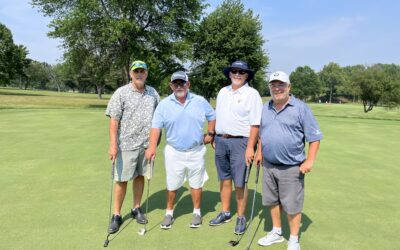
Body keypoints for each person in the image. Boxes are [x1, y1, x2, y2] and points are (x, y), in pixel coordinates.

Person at [256, 71, 323, 250]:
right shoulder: (265, 107)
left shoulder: (300, 108)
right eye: (273, 85)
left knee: (292, 205)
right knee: (271, 201)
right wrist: (260, 152)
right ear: (270, 87)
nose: (277, 88)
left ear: (289, 87)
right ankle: (276, 232)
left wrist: (309, 160)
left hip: (292, 167)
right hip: (269, 165)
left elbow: (315, 137)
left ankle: (294, 239)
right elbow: (263, 133)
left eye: (281, 85)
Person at [145, 71, 216, 229]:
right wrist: (151, 147)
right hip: (174, 151)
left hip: (196, 150)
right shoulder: (164, 105)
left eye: (182, 83)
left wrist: (210, 134)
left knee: (196, 183)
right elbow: (156, 127)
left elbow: (212, 116)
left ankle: (197, 212)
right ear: (171, 86)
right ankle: (169, 213)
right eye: (175, 83)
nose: (179, 86)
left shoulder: (199, 101)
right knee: (172, 183)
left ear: (188, 84)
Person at [105, 60, 160, 234]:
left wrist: (153, 145)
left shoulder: (153, 93)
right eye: (136, 71)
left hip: (146, 146)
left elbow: (158, 120)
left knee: (140, 177)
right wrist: (113, 145)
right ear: (131, 73)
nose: (139, 74)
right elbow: (114, 120)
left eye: (142, 71)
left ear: (146, 73)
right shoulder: (121, 93)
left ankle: (136, 208)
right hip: (125, 145)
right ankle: (116, 215)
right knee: (121, 180)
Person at [209, 60, 263, 235]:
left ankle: (241, 217)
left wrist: (250, 148)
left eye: (241, 72)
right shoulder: (223, 91)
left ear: (246, 75)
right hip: (221, 140)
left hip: (241, 142)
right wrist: (214, 135)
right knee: (224, 179)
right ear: (230, 73)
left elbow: (255, 124)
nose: (237, 74)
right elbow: (217, 115)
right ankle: (225, 212)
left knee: (240, 182)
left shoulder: (252, 94)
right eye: (234, 71)